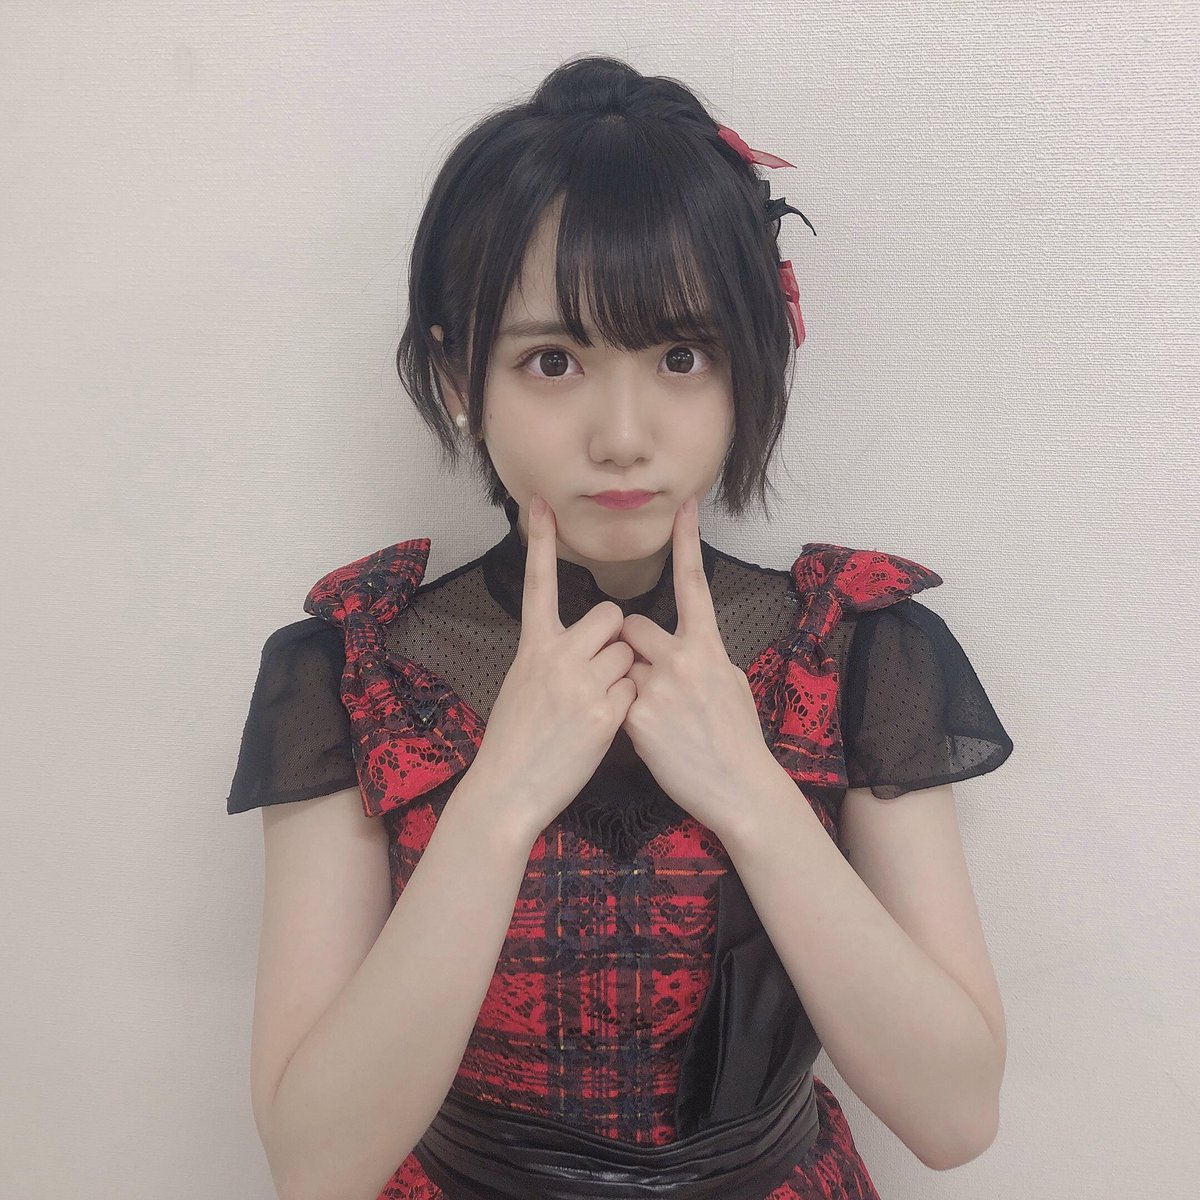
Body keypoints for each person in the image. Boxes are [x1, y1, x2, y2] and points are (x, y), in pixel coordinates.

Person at [227, 54, 1014, 1200]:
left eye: (681, 356)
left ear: (748, 364)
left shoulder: (856, 648)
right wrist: (499, 801)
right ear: (458, 374)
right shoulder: (354, 669)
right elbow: (315, 1163)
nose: (624, 434)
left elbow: (955, 1116)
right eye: (553, 361)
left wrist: (750, 791)